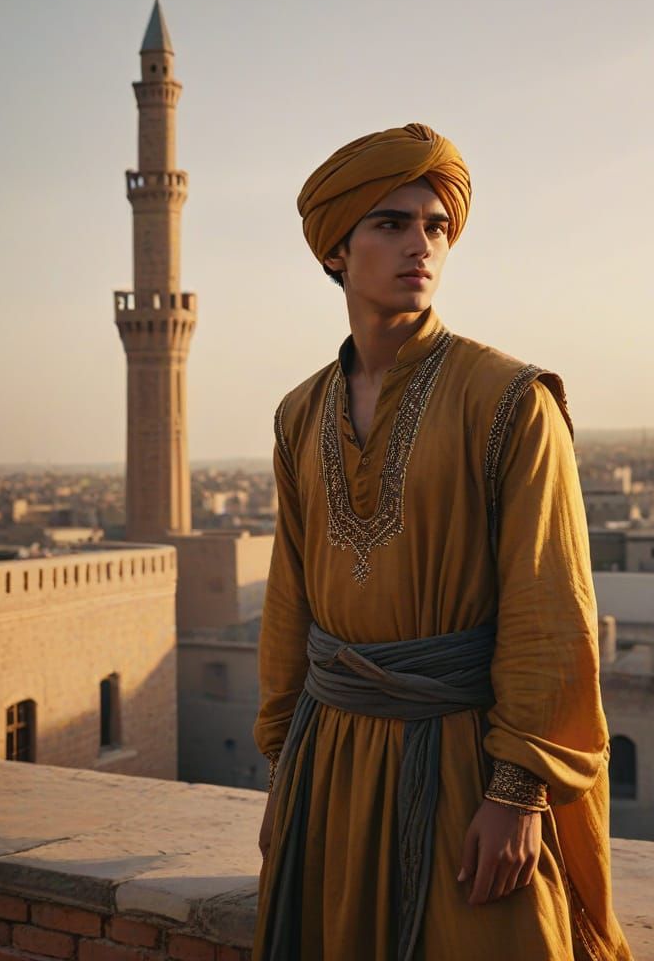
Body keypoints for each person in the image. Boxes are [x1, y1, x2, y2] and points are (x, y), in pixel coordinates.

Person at [253, 122, 634, 961]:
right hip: (332, 761)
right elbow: (291, 600)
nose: (419, 246)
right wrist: (285, 764)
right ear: (336, 251)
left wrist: (518, 792)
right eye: (390, 224)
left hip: (466, 762)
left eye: (435, 226)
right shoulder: (298, 414)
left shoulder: (508, 401)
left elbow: (551, 605)